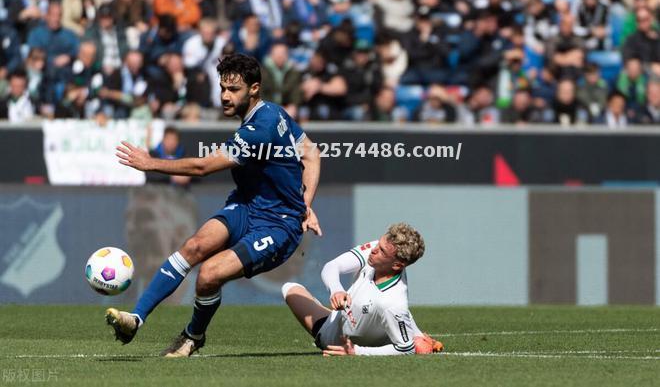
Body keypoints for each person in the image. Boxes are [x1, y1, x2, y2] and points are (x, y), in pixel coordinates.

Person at [106, 53, 322, 357]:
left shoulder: (260, 128)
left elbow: (201, 168)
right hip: (247, 207)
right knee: (194, 246)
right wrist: (307, 201)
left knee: (208, 275)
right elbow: (311, 153)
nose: (224, 96)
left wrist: (151, 163)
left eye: (233, 89)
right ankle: (135, 319)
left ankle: (193, 335)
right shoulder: (275, 113)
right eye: (222, 88)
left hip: (278, 224)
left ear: (255, 88)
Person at [281, 223, 443, 356]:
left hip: (334, 339)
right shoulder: (377, 251)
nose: (373, 250)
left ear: (397, 265)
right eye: (378, 244)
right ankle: (417, 335)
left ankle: (415, 335)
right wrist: (336, 289)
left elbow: (405, 349)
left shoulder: (392, 302)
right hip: (338, 318)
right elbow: (332, 266)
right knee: (290, 288)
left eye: (382, 251)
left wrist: (356, 351)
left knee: (404, 328)